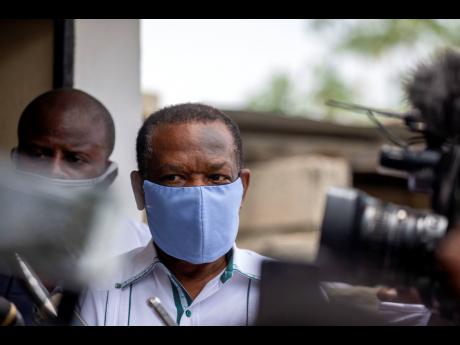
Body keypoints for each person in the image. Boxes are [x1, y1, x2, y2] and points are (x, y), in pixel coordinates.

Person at [77, 103, 269, 326]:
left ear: (242, 188)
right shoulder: (98, 290)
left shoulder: (284, 291)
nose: (198, 194)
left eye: (216, 177)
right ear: (140, 190)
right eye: (174, 177)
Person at [0, 88, 151, 324]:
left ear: (107, 175)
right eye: (39, 154)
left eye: (75, 159)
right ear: (16, 160)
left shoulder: (144, 255)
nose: (54, 171)